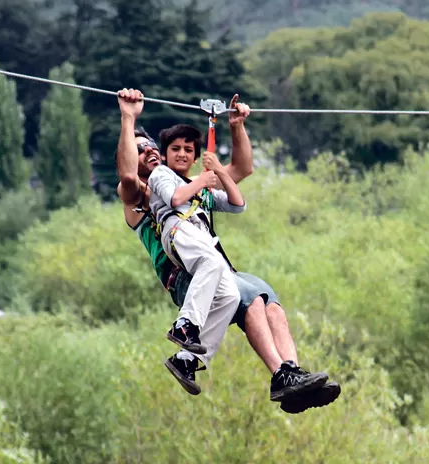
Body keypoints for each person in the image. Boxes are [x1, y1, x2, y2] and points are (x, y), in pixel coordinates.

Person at [114, 88, 340, 413]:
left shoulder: (191, 185)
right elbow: (127, 174)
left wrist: (236, 127)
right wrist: (128, 117)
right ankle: (279, 374)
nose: (148, 151)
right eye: (139, 149)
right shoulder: (139, 196)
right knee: (251, 302)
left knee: (268, 300)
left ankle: (292, 374)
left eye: (150, 146)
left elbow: (242, 169)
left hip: (218, 268)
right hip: (187, 276)